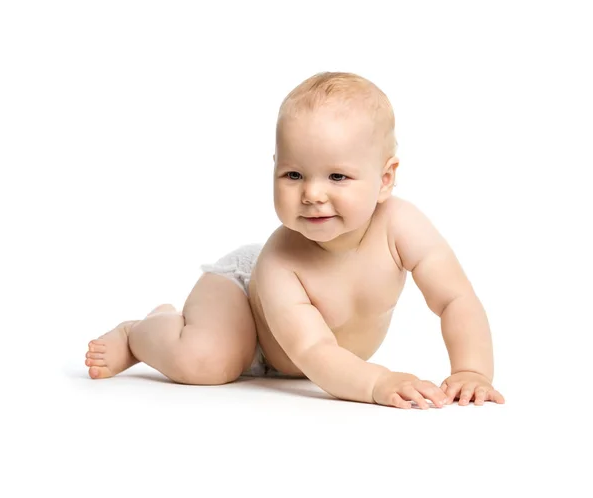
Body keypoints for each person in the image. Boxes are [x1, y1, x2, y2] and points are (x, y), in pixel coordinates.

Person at [84, 71, 505, 409]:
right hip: (242, 297)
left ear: (385, 179)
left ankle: (171, 323)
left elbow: (455, 299)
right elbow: (313, 348)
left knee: (220, 360)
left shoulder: (403, 226)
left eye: (337, 176)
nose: (312, 194)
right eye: (293, 175)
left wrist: (472, 371)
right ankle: (140, 333)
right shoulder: (279, 262)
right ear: (274, 169)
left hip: (298, 353)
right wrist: (378, 382)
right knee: (209, 361)